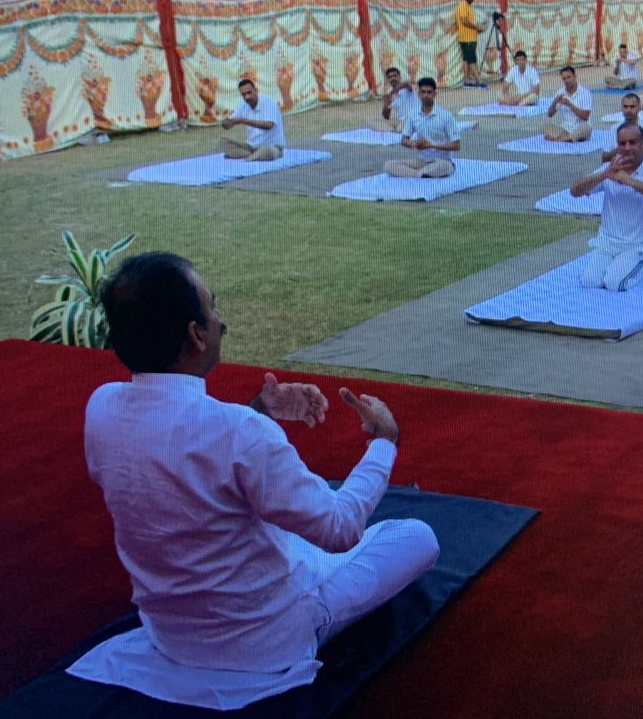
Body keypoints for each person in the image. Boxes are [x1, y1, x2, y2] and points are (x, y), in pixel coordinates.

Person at [73, 253, 438, 708]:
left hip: (169, 637)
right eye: (213, 307)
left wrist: (262, 409)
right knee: (416, 536)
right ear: (195, 333)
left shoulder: (103, 408)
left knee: (290, 511)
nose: (220, 320)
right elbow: (340, 530)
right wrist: (384, 442)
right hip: (266, 644)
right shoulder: (238, 432)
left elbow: (180, 454)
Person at [570, 122, 643, 291]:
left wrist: (630, 181)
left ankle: (639, 267)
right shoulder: (610, 169)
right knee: (589, 282)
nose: (627, 148)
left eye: (632, 142)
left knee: (614, 284)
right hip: (606, 243)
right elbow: (575, 191)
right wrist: (604, 175)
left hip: (636, 246)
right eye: (622, 143)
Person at [386, 77, 460, 177]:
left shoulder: (445, 115)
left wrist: (432, 145)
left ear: (435, 94)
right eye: (423, 92)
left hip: (442, 161)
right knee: (389, 165)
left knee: (443, 166)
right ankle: (420, 174)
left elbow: (456, 145)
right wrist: (414, 144)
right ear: (419, 94)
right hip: (421, 162)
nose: (426, 95)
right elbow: (404, 140)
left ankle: (418, 174)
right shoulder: (413, 114)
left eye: (429, 92)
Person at [220, 78, 286, 161]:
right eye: (243, 95)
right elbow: (229, 122)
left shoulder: (269, 103)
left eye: (249, 93)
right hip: (251, 146)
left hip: (271, 146)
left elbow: (269, 125)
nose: (247, 97)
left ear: (256, 90)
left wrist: (244, 121)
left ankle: (247, 157)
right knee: (224, 141)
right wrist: (226, 122)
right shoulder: (243, 105)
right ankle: (251, 156)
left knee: (267, 151)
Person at [599, 93, 643, 164]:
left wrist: (636, 151)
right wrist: (620, 150)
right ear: (622, 108)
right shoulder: (614, 128)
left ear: (639, 108)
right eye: (625, 107)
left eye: (632, 107)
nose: (628, 110)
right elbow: (604, 158)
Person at [542, 65, 595, 142]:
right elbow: (550, 114)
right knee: (545, 126)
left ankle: (561, 139)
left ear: (575, 77)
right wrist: (554, 102)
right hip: (565, 128)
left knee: (587, 128)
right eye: (564, 79)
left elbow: (585, 116)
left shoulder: (585, 93)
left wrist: (570, 105)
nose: (567, 80)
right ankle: (566, 138)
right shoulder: (560, 92)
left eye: (569, 77)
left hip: (580, 128)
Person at [454, 0, 487, 88]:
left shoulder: (468, 7)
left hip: (467, 37)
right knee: (472, 60)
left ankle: (467, 81)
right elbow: (464, 21)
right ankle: (479, 81)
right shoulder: (463, 5)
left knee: (466, 60)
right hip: (468, 38)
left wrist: (478, 30)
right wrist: (477, 27)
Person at [368, 67, 415, 133]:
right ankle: (393, 131)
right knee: (373, 121)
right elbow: (386, 117)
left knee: (405, 124)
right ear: (387, 79)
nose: (392, 78)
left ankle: (398, 130)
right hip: (400, 121)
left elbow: (406, 83)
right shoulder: (389, 94)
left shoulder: (407, 88)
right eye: (390, 77)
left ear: (399, 76)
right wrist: (386, 105)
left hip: (412, 119)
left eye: (395, 76)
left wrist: (392, 92)